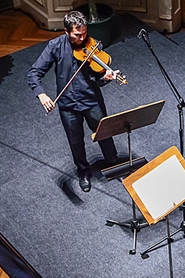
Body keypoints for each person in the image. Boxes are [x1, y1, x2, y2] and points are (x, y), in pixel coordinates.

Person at [28, 11, 123, 193]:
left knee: (104, 132)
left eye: (84, 33)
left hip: (91, 99)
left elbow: (97, 78)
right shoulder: (55, 46)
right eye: (77, 35)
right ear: (66, 32)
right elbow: (34, 73)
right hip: (68, 104)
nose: (82, 38)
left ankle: (113, 162)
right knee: (75, 141)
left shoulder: (93, 45)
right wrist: (41, 95)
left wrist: (105, 77)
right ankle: (83, 172)